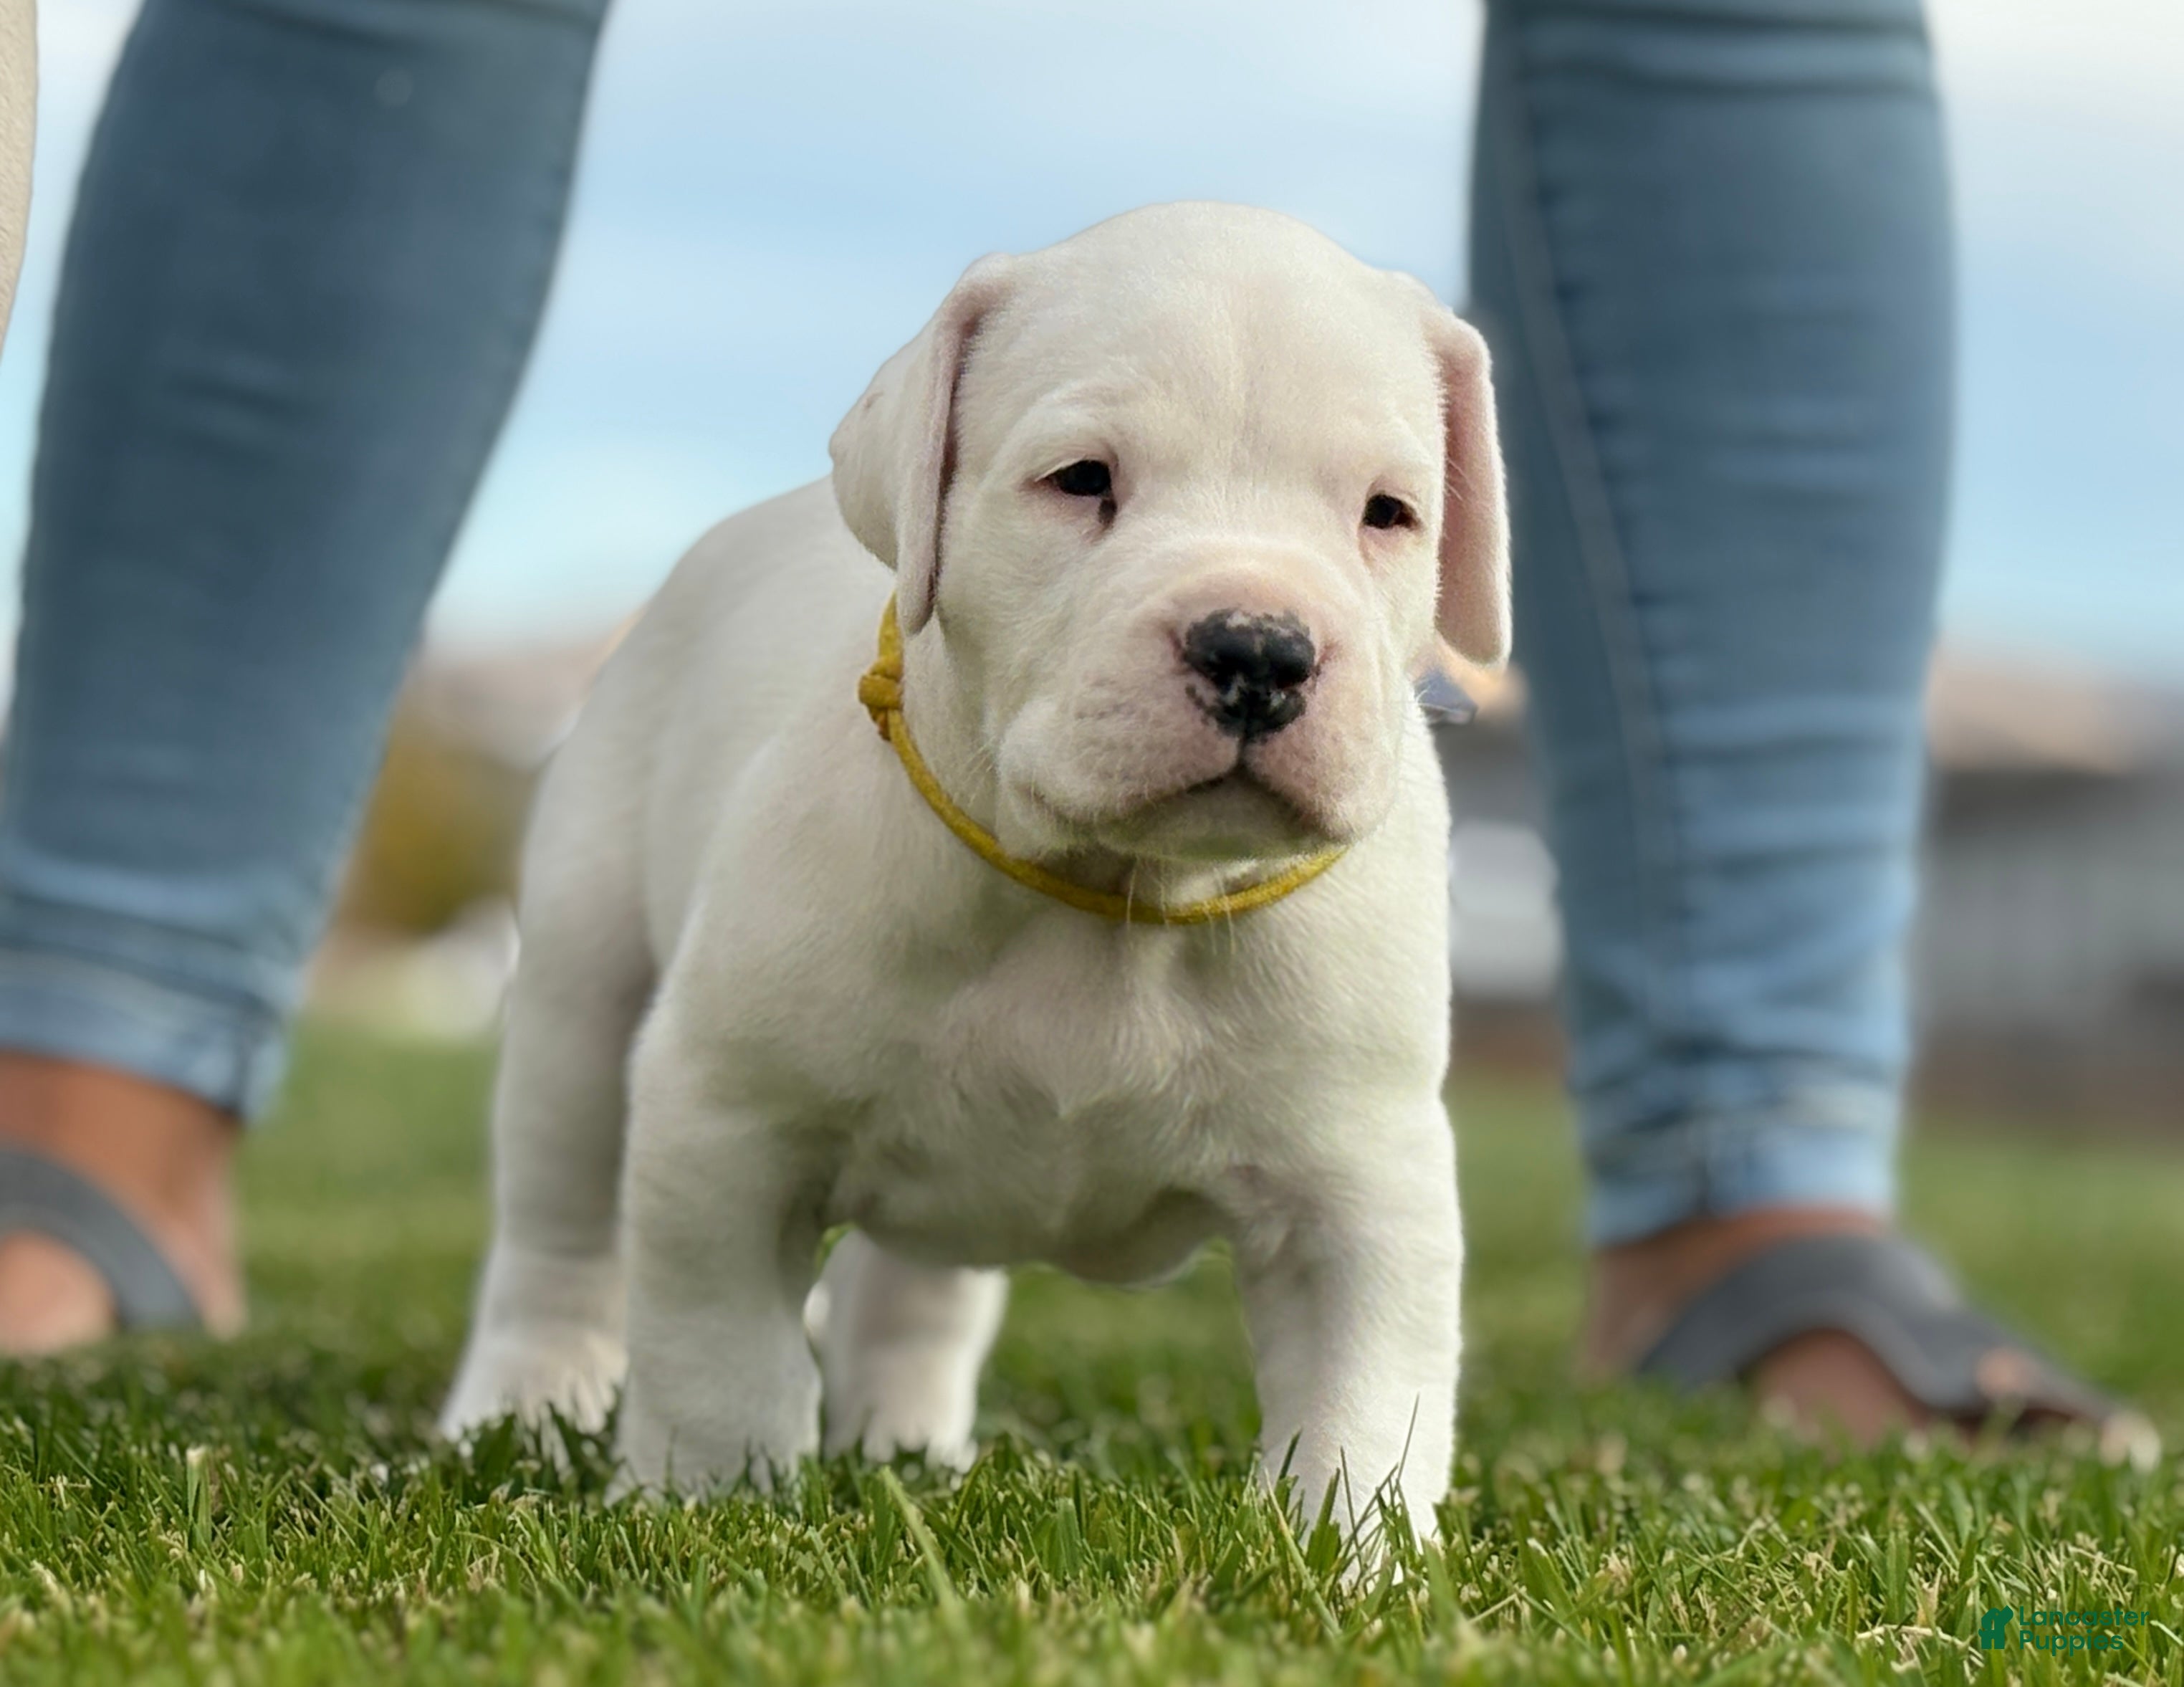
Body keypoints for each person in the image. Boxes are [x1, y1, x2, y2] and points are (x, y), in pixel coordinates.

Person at [0, 0, 2133, 1443]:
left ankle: (1757, 1191)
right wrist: (622, 1345)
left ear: (1461, 536)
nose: (1257, 628)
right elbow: (707, 1111)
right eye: (1089, 481)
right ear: (922, 492)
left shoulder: (1365, 858)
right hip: (812, 831)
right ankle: (162, 1120)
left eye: (1380, 514)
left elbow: (1371, 1228)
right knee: (609, 1005)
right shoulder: (797, 635)